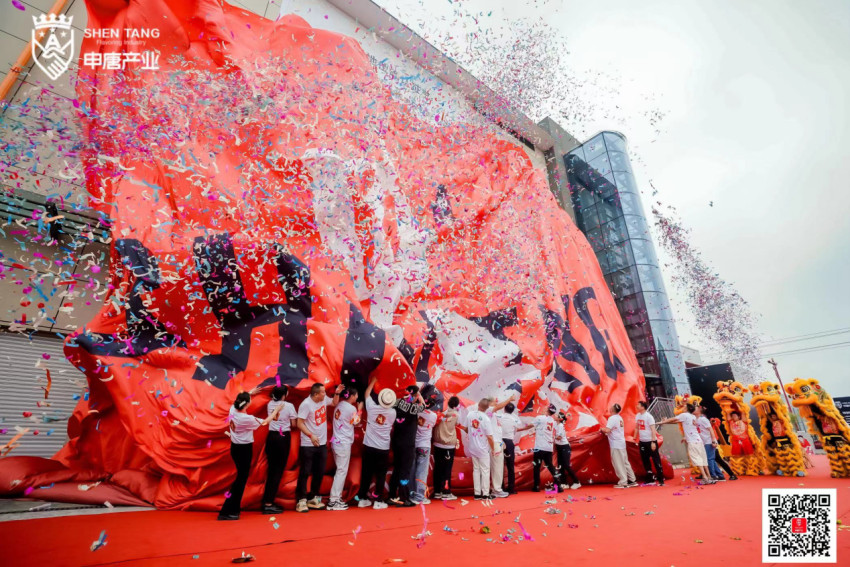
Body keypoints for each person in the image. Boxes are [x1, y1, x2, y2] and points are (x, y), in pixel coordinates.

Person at [219, 391, 281, 520]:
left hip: (235, 448)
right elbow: (265, 422)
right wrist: (276, 411)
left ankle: (232, 509)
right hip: (244, 450)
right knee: (240, 481)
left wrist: (251, 392)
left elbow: (240, 399)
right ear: (247, 404)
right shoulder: (245, 418)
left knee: (240, 480)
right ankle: (227, 511)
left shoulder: (233, 409)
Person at [357, 377, 396, 510]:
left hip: (368, 446)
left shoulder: (372, 408)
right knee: (380, 474)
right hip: (382, 448)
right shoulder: (392, 413)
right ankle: (378, 500)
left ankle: (362, 498)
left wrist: (373, 381)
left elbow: (367, 394)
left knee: (366, 472)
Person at [295, 383, 335, 512]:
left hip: (322, 444)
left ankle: (313, 497)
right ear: (316, 394)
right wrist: (311, 435)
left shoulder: (323, 400)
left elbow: (334, 403)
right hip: (308, 444)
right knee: (305, 472)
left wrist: (338, 392)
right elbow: (299, 423)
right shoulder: (306, 404)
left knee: (319, 471)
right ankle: (301, 500)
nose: (325, 394)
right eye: (323, 392)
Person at [659, 404, 715, 485]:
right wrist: (666, 421)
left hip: (692, 442)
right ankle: (709, 477)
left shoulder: (684, 415)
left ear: (687, 409)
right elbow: (676, 421)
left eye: (684, 407)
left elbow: (674, 419)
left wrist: (662, 422)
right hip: (699, 441)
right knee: (703, 459)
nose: (683, 408)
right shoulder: (692, 416)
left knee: (697, 459)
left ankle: (705, 478)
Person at [262, 385, 298, 514]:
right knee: (277, 471)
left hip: (271, 436)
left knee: (271, 470)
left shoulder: (270, 404)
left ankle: (267, 500)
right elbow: (294, 424)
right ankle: (268, 503)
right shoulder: (289, 406)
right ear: (285, 394)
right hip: (283, 438)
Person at [388, 385, 425, 506]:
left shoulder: (397, 402)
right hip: (408, 443)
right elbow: (423, 406)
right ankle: (404, 497)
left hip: (396, 441)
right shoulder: (413, 407)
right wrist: (420, 398)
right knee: (405, 471)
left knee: (397, 469)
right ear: (414, 395)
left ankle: (392, 495)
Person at [327, 386, 359, 511]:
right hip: (343, 442)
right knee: (341, 471)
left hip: (336, 440)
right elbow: (356, 421)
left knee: (339, 471)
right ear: (351, 396)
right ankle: (334, 500)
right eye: (356, 395)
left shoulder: (339, 404)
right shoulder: (351, 408)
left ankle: (336, 498)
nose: (357, 397)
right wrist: (360, 410)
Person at [459, 397, 495, 500]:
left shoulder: (470, 415)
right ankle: (485, 494)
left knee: (476, 469)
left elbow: (465, 428)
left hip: (473, 447)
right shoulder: (486, 419)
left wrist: (471, 432)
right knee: (485, 470)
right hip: (483, 448)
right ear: (487, 408)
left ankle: (477, 493)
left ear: (478, 405)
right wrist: (493, 449)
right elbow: (490, 436)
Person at [486, 394, 518, 498]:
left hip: (498, 442)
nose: (497, 403)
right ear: (490, 403)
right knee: (497, 467)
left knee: (498, 467)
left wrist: (501, 442)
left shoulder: (496, 415)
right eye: (495, 402)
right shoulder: (489, 411)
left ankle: (496, 489)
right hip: (494, 443)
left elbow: (498, 430)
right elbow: (498, 407)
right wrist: (509, 398)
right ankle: (497, 490)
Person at [602, 403, 638, 488]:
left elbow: (607, 430)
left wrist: (601, 429)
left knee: (618, 463)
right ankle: (632, 480)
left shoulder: (612, 418)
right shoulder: (619, 418)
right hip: (621, 442)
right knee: (625, 462)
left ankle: (623, 481)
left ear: (612, 410)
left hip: (615, 443)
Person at [531, 404, 566, 492]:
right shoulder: (553, 421)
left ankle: (536, 486)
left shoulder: (540, 418)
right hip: (548, 447)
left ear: (547, 410)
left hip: (539, 446)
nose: (543, 408)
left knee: (536, 467)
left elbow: (530, 425)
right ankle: (559, 485)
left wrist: (519, 429)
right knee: (551, 466)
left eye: (545, 408)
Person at [500, 402, 532, 494]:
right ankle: (511, 488)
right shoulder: (515, 419)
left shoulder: (499, 417)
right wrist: (526, 428)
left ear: (504, 409)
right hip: (509, 442)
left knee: (499, 466)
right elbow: (517, 429)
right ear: (513, 410)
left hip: (500, 442)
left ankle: (501, 488)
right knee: (510, 466)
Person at [411, 395, 438, 504]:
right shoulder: (433, 416)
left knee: (412, 470)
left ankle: (411, 494)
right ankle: (419, 496)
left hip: (414, 444)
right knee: (421, 471)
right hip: (425, 446)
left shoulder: (416, 412)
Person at [432, 396, 460, 500]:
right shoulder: (456, 415)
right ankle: (446, 492)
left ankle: (437, 491)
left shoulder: (440, 414)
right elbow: (456, 424)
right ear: (456, 405)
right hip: (448, 444)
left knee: (438, 468)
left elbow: (442, 419)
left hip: (437, 443)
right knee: (447, 470)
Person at [634, 400, 664, 486]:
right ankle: (650, 478)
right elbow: (636, 427)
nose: (637, 406)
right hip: (642, 441)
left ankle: (661, 479)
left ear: (643, 407)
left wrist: (653, 442)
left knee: (655, 459)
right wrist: (635, 437)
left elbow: (653, 430)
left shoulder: (649, 417)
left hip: (650, 441)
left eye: (638, 405)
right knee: (645, 460)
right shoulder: (637, 416)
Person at [695, 406, 725, 481]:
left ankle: (713, 475)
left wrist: (713, 440)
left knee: (709, 459)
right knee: (711, 459)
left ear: (699, 411)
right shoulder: (697, 419)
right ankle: (720, 475)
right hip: (704, 442)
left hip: (709, 442)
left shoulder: (703, 419)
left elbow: (711, 430)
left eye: (695, 408)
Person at [554, 411, 581, 489]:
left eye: (556, 415)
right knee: (560, 466)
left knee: (566, 465)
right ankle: (564, 483)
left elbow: (559, 437)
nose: (554, 416)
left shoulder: (560, 426)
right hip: (559, 447)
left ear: (560, 418)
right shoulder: (556, 424)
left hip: (564, 447)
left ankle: (577, 482)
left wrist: (550, 437)